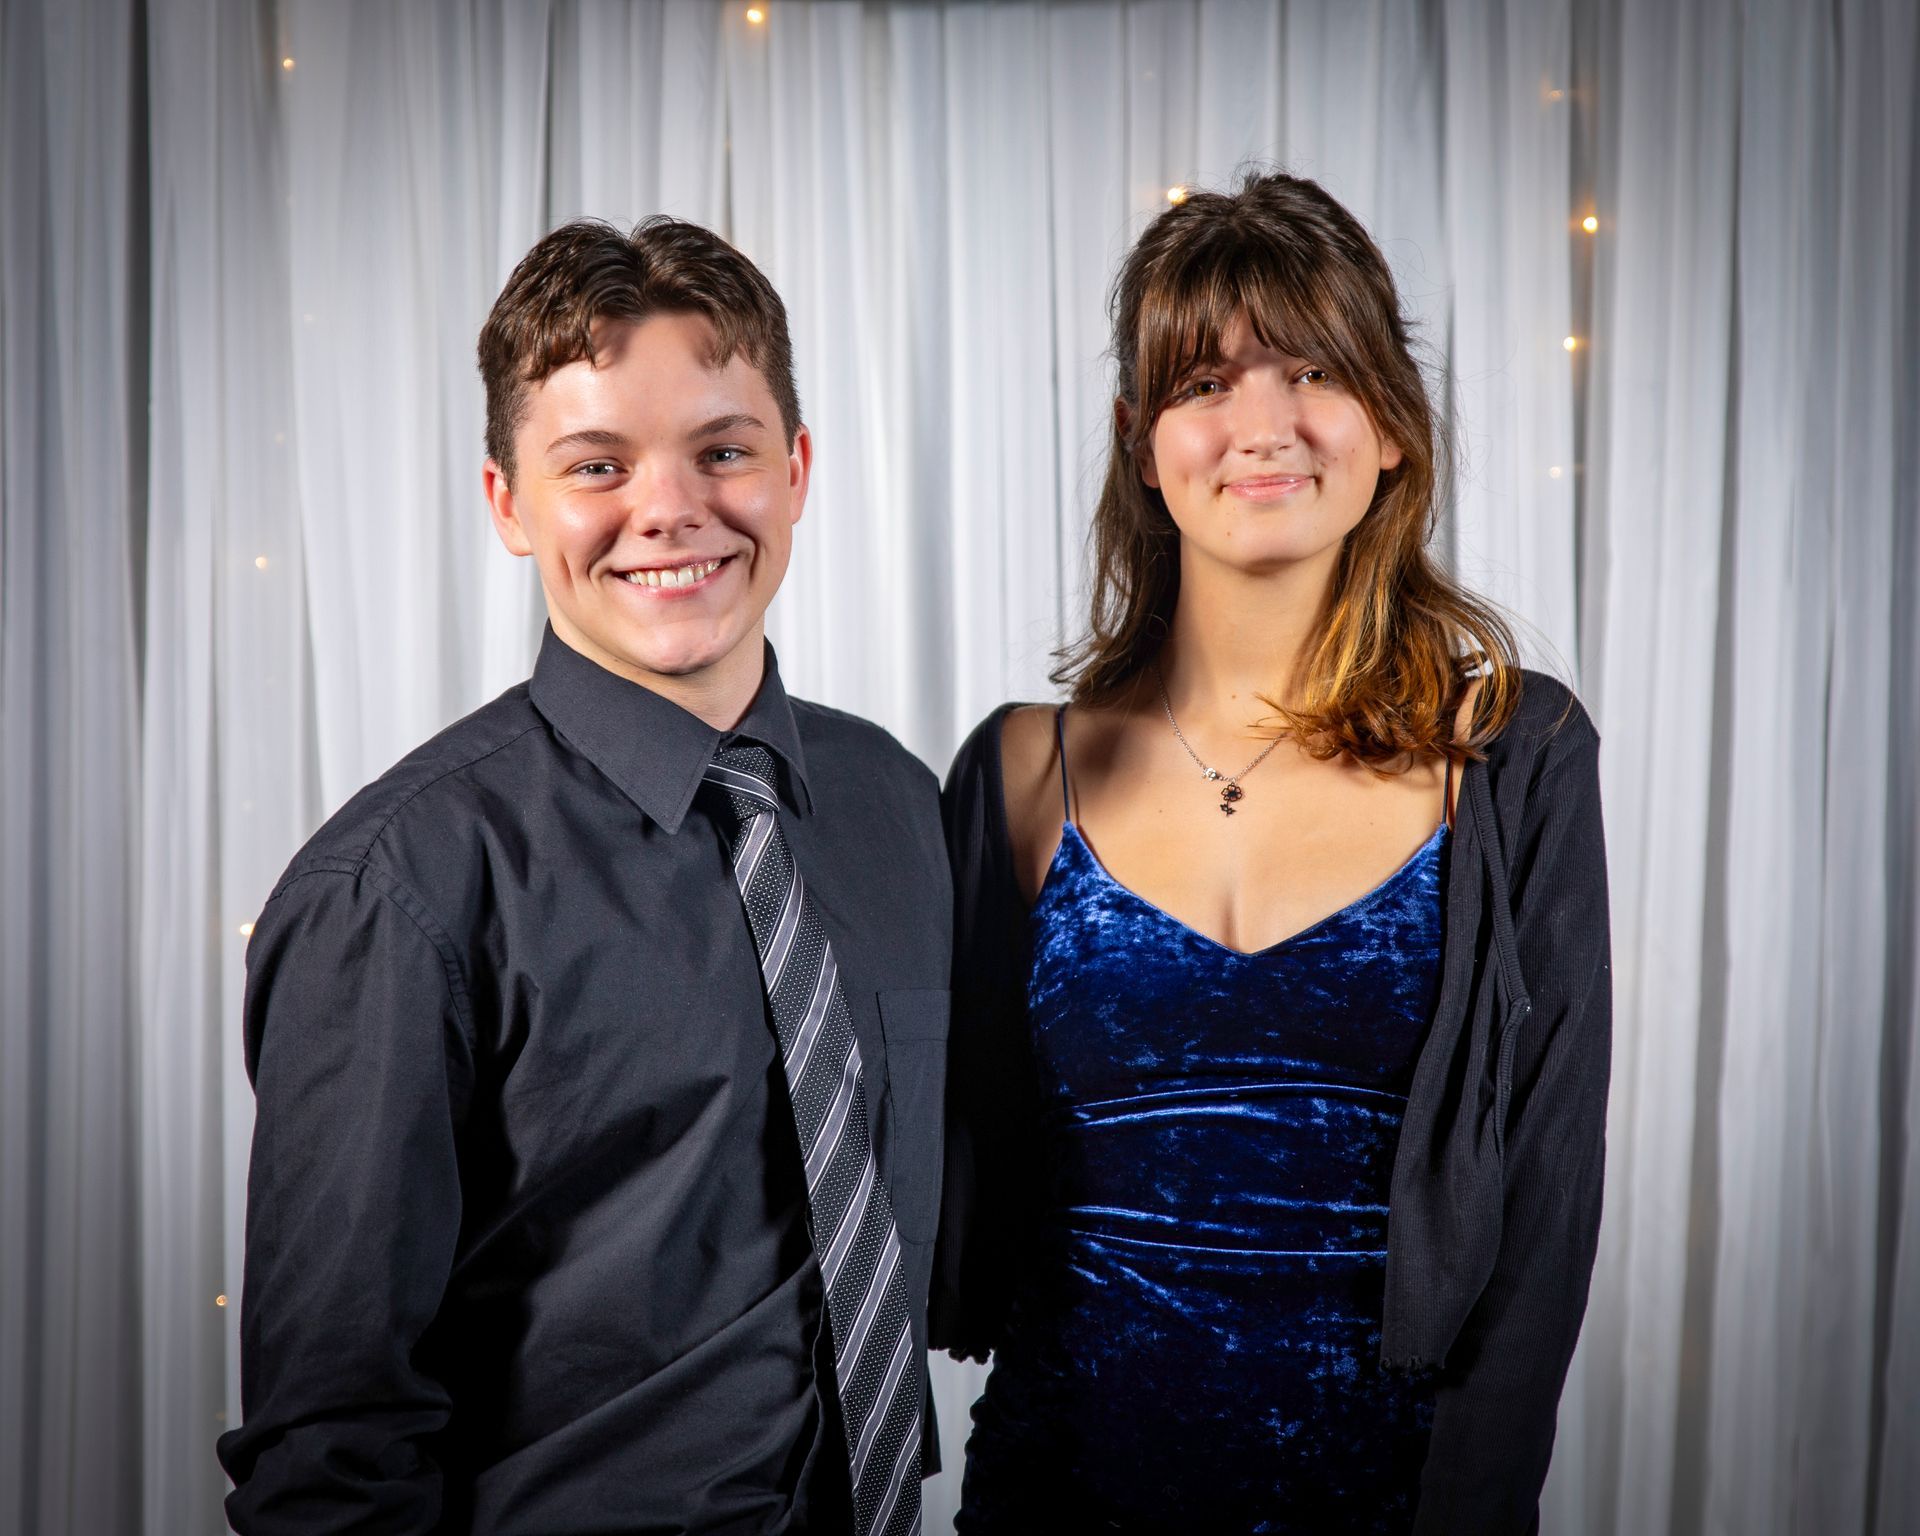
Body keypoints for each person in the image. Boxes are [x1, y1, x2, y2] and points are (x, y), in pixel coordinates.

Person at [217, 217, 949, 1536]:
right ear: (508, 504)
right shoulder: (402, 892)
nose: (668, 509)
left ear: (795, 472)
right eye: (596, 465)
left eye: (722, 451)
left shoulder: (894, 808)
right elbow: (332, 1444)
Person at [933, 171, 1610, 1534]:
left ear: (1394, 428)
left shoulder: (1509, 751)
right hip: (1061, 1487)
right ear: (1139, 440)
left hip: (1393, 1495)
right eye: (1202, 384)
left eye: (1313, 370)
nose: (1263, 425)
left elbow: (1545, 1212)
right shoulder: (1019, 769)